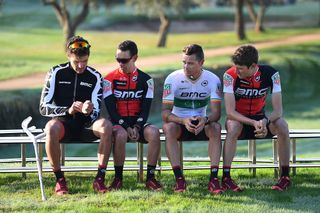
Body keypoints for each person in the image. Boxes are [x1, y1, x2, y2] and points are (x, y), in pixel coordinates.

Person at [39, 36, 113, 195]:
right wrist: (68, 110)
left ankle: (100, 179)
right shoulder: (56, 72)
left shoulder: (95, 76)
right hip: (63, 126)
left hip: (86, 126)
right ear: (68, 56)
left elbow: (96, 110)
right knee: (50, 127)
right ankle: (60, 180)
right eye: (76, 62)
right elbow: (43, 107)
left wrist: (89, 110)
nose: (81, 66)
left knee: (106, 125)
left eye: (85, 61)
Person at [222, 44, 291, 192]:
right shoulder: (229, 75)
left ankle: (285, 177)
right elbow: (229, 112)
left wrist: (264, 122)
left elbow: (278, 110)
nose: (237, 70)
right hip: (239, 119)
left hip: (261, 119)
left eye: (240, 68)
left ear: (253, 66)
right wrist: (254, 122)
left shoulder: (272, 74)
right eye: (236, 67)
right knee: (233, 126)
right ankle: (226, 178)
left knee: (283, 126)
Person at [162, 44, 223, 194]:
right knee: (168, 128)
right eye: (184, 62)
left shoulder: (212, 79)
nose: (186, 66)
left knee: (216, 127)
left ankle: (214, 179)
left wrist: (205, 120)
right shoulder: (172, 79)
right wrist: (183, 121)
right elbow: (165, 113)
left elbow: (216, 113)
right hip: (179, 123)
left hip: (202, 122)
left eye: (190, 63)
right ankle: (179, 179)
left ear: (201, 63)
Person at [103, 40, 162, 191]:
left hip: (138, 123)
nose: (120, 63)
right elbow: (111, 110)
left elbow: (145, 109)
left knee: (154, 133)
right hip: (118, 122)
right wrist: (126, 126)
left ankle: (150, 178)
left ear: (135, 58)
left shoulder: (146, 80)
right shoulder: (109, 80)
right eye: (117, 59)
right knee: (121, 135)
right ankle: (118, 179)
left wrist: (137, 126)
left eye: (124, 60)